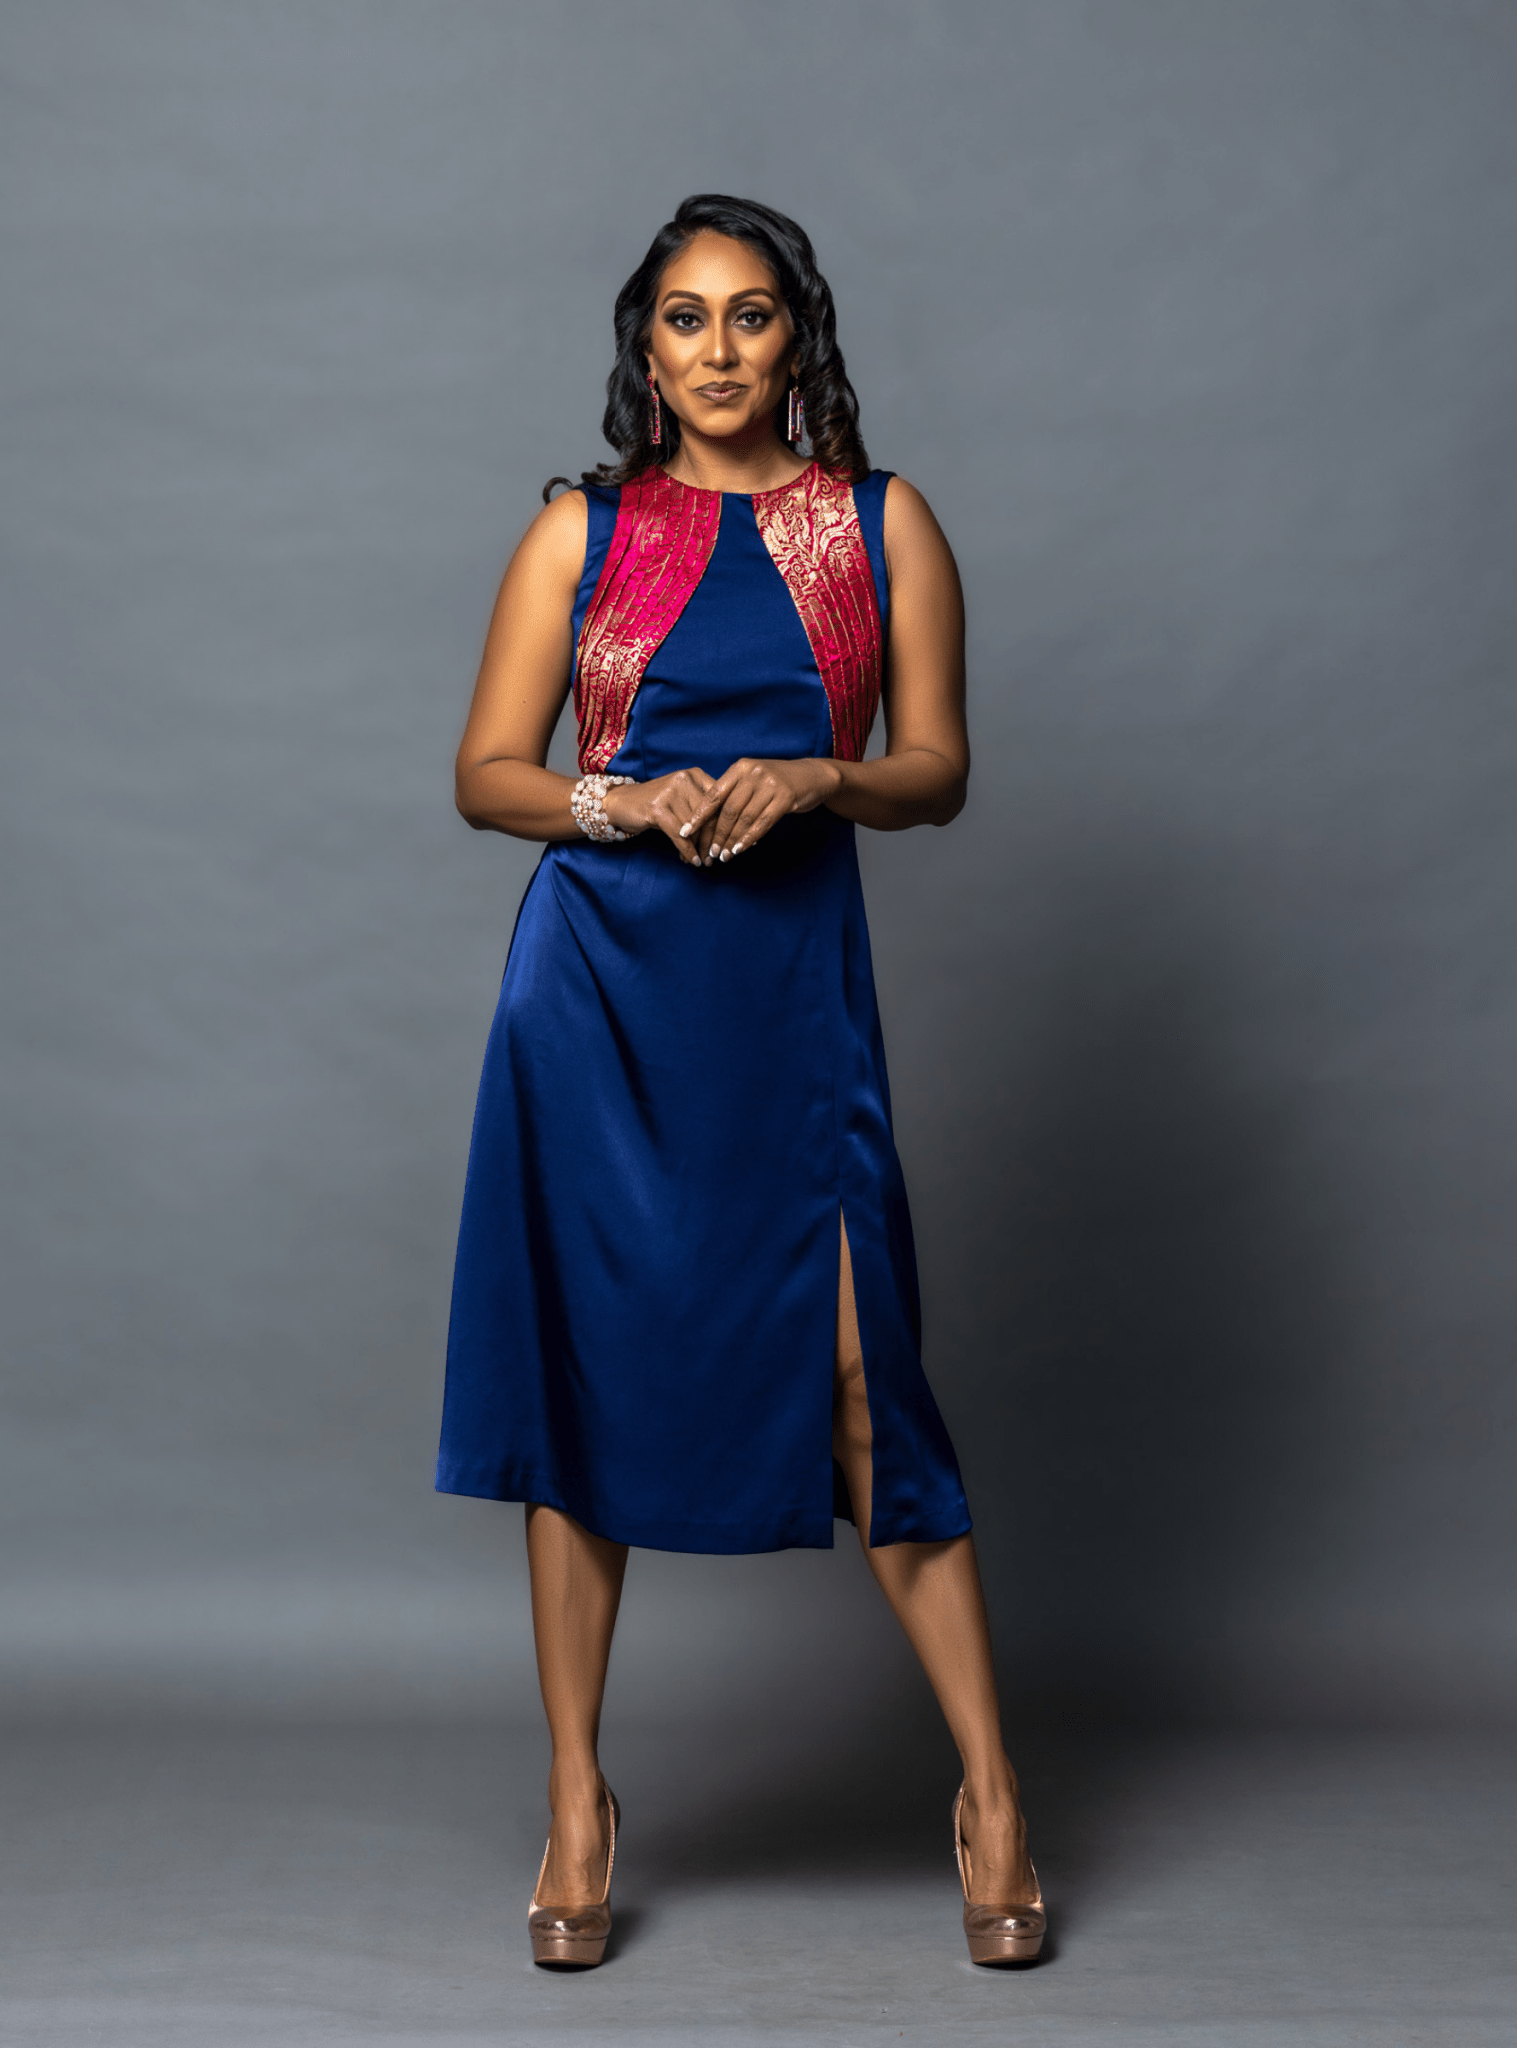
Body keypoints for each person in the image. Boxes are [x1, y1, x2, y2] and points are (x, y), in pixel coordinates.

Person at [436, 193, 1043, 1970]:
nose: (717, 350)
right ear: (646, 345)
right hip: (597, 993)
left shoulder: (878, 520)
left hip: (786, 1000)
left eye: (751, 316)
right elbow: (488, 773)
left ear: (800, 339)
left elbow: (934, 767)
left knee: (868, 1382)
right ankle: (576, 1800)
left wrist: (813, 779)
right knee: (587, 1383)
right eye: (685, 318)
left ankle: (993, 1791)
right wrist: (621, 801)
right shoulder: (581, 532)